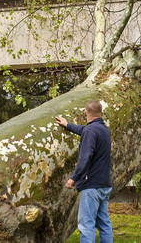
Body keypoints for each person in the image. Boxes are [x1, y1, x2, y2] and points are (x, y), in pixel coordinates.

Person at [55, 101, 113, 243]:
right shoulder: (104, 130)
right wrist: (68, 125)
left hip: (91, 185)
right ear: (102, 114)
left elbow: (85, 157)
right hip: (104, 184)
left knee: (86, 225)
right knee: (104, 224)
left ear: (85, 114)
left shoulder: (90, 131)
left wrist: (73, 178)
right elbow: (84, 130)